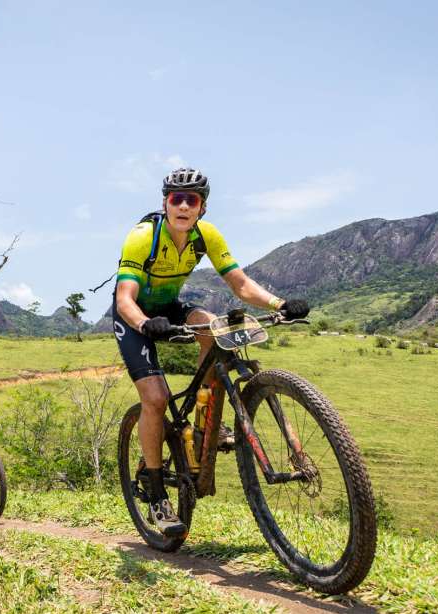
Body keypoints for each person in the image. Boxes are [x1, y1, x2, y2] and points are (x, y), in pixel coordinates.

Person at [112, 167, 309, 536]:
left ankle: (207, 422)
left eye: (192, 200)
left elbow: (241, 284)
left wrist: (279, 303)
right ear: (165, 203)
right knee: (155, 398)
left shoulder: (207, 236)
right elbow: (125, 299)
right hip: (136, 317)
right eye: (176, 198)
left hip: (170, 306)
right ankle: (155, 493)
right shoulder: (143, 238)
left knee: (212, 325)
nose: (183, 205)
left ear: (202, 207)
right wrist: (144, 324)